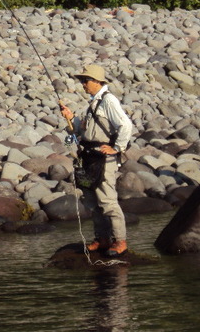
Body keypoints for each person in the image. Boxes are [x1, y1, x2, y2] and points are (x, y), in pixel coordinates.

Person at [60, 64, 133, 257]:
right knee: (92, 200)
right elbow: (84, 130)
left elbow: (126, 125)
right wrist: (71, 117)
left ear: (97, 82)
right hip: (89, 157)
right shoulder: (94, 102)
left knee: (108, 201)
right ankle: (102, 238)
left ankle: (120, 241)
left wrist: (116, 148)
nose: (83, 84)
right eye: (82, 80)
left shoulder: (109, 101)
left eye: (86, 80)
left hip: (103, 159)